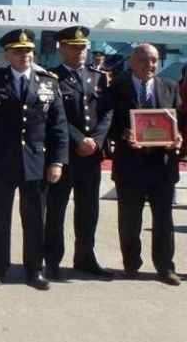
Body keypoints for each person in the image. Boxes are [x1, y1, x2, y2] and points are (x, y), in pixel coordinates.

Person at [0, 29, 68, 291]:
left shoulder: (48, 82)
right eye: (18, 51)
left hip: (36, 163)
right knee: (0, 218)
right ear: (7, 54)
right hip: (0, 163)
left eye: (28, 50)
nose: (24, 55)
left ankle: (34, 270)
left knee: (36, 219)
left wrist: (57, 161)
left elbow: (58, 126)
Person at [106, 44, 181, 286]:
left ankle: (165, 267)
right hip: (130, 165)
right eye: (143, 60)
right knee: (130, 219)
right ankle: (131, 263)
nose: (149, 65)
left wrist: (177, 139)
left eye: (154, 60)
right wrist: (124, 134)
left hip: (162, 165)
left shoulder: (170, 87)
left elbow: (178, 122)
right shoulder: (117, 87)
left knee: (164, 220)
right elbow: (107, 122)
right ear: (131, 62)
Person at [44, 26, 113, 281]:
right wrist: (78, 139)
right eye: (73, 47)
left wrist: (95, 140)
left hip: (91, 156)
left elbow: (107, 112)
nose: (79, 52)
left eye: (83, 47)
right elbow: (54, 116)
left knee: (88, 210)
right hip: (63, 155)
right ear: (61, 48)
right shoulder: (50, 78)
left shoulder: (98, 77)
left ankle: (85, 258)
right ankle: (51, 261)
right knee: (55, 210)